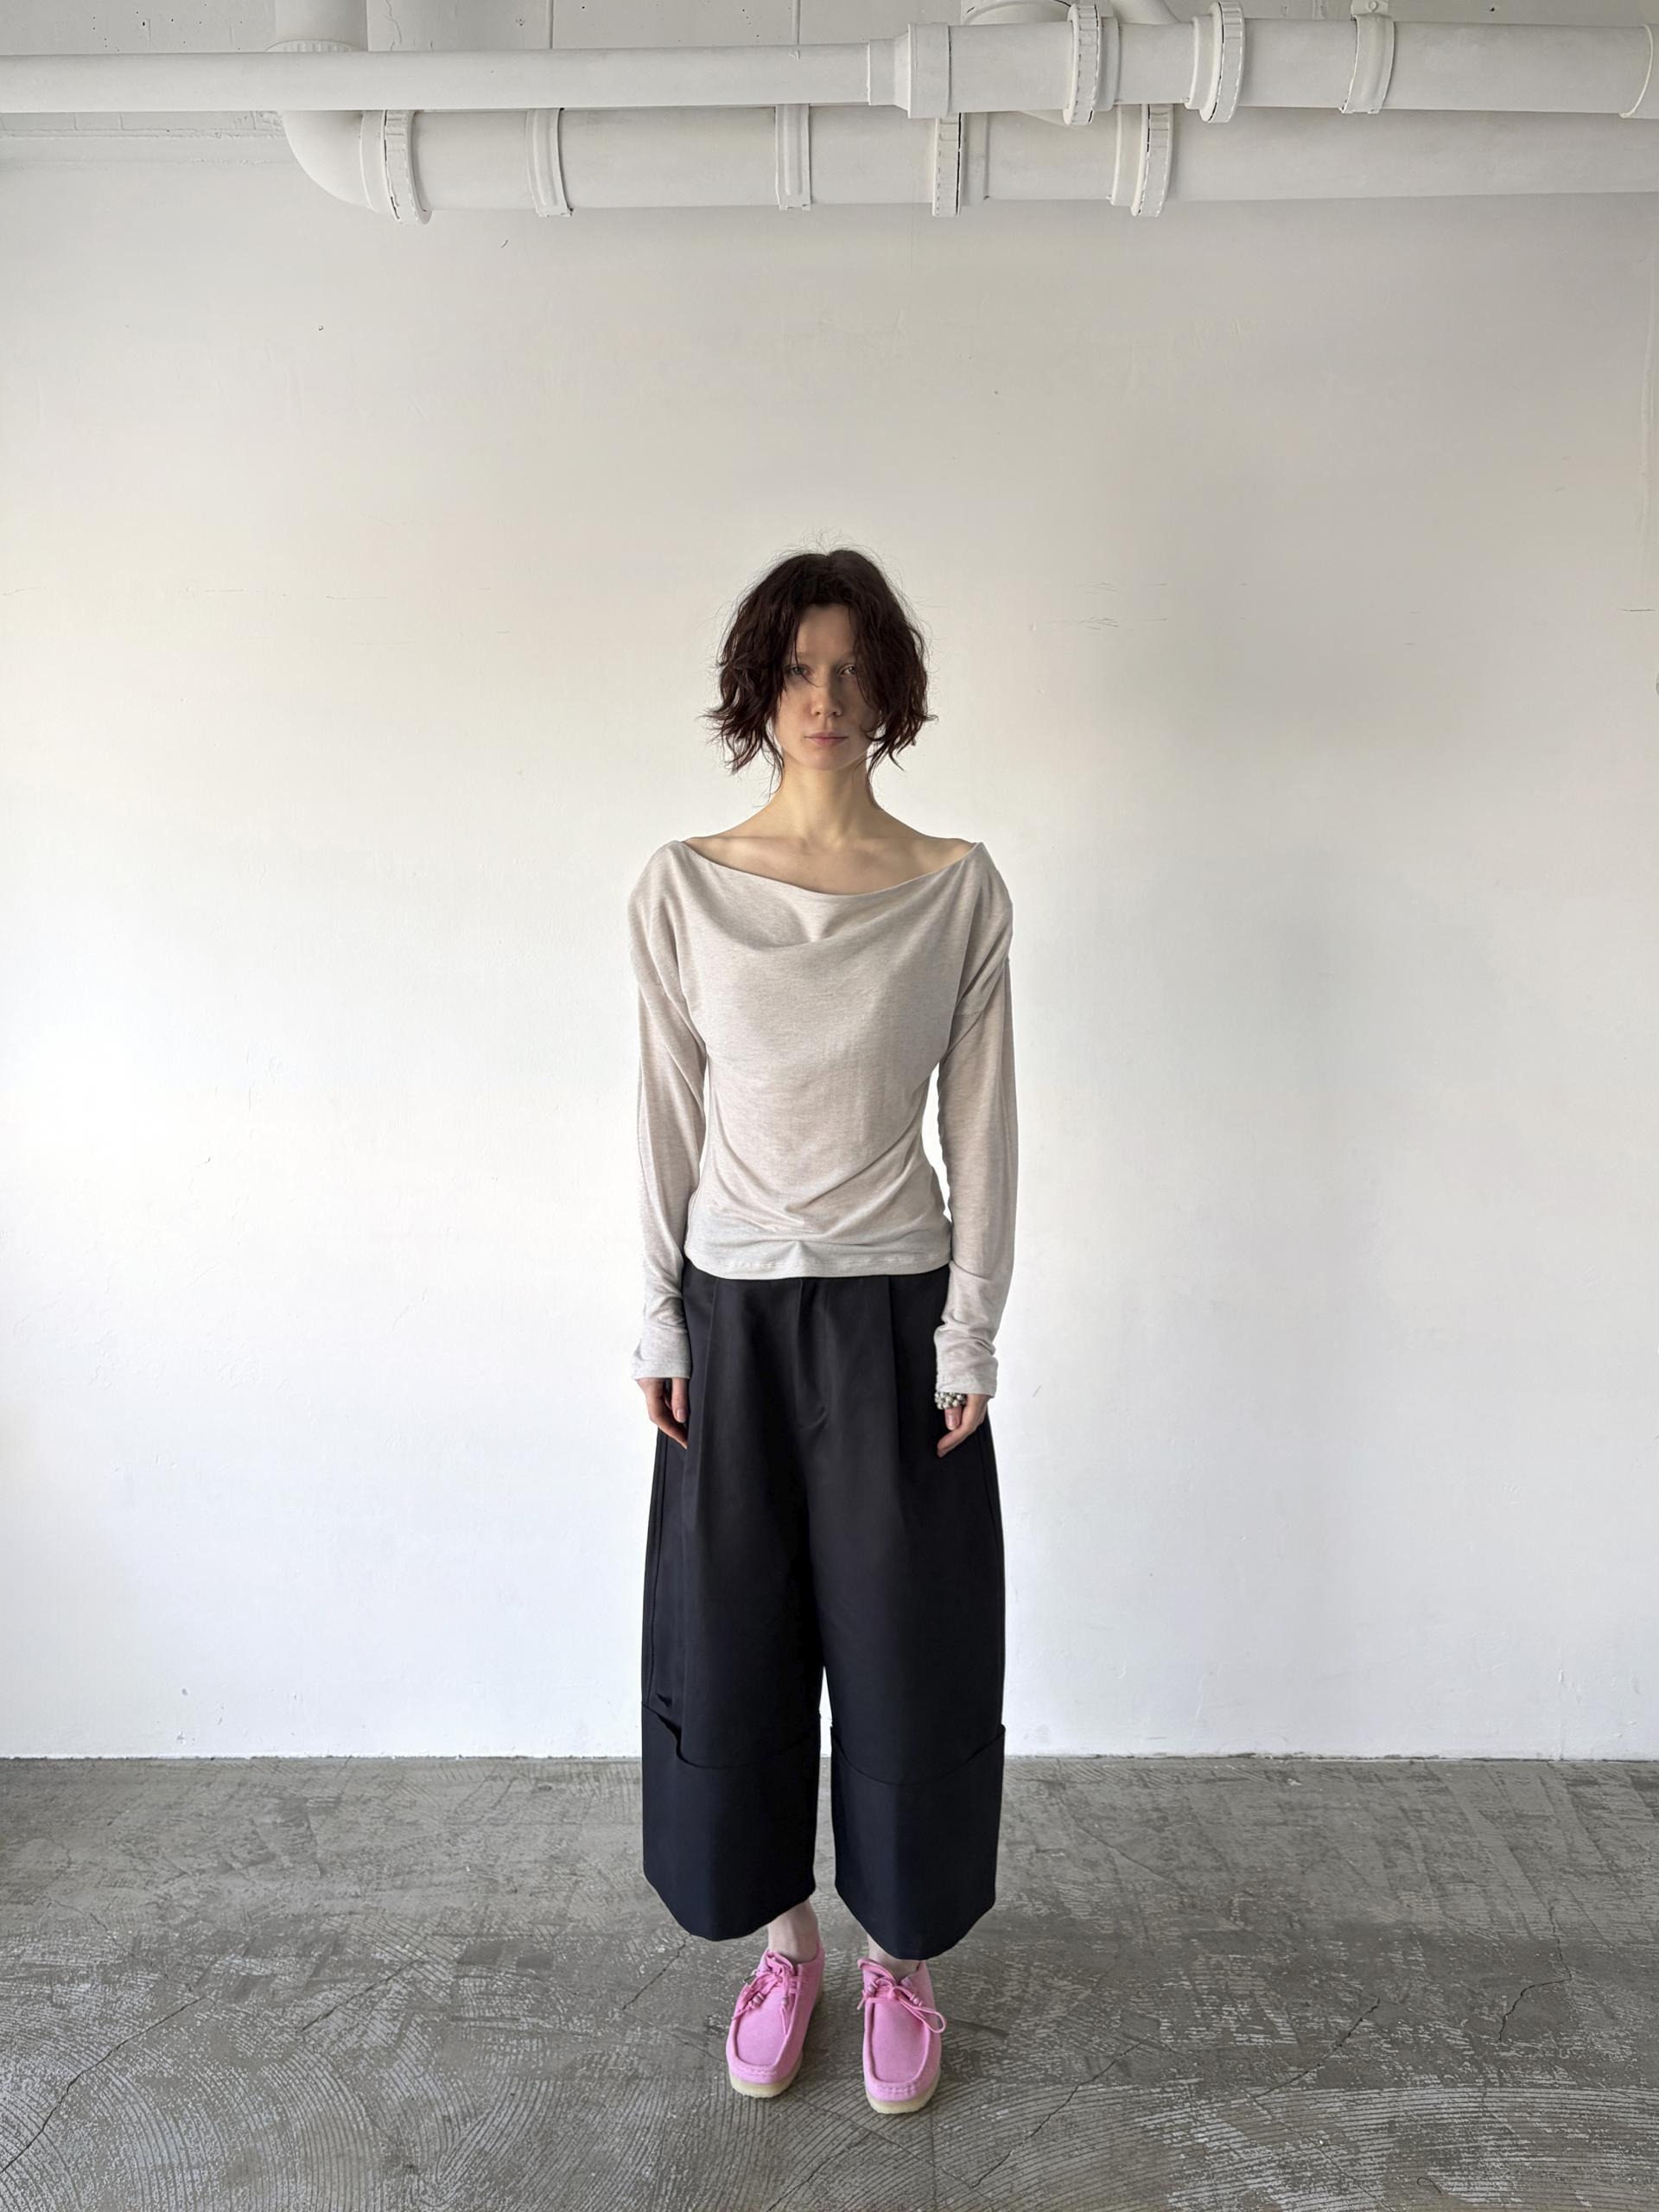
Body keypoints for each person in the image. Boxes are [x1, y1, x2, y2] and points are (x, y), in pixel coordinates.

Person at [626, 547, 1017, 2116]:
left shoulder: (955, 888)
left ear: (891, 692)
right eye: (798, 670)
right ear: (758, 688)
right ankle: (784, 1944)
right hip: (730, 1315)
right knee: (735, 1647)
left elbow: (982, 1127)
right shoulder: (684, 887)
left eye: (854, 671)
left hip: (895, 1311)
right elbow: (664, 1114)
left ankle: (900, 1959)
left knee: (909, 1648)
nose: (826, 700)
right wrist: (656, 1314)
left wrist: (971, 1331)